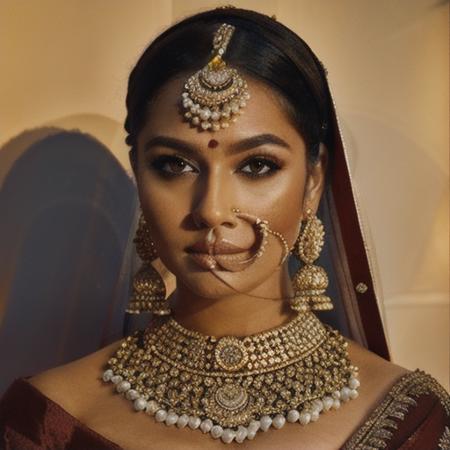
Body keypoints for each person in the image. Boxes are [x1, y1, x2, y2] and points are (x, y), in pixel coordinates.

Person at [0, 7, 448, 450]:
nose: (211, 211)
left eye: (257, 165)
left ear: (313, 182)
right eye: (173, 165)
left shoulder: (410, 420)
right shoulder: (48, 421)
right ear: (139, 173)